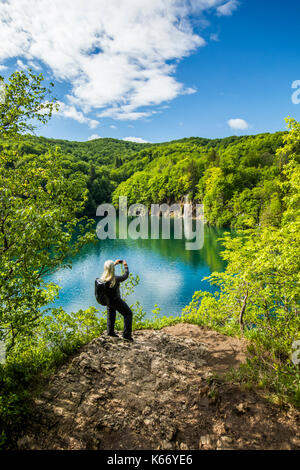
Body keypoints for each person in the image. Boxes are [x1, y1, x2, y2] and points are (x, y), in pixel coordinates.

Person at [100, 259, 133, 341]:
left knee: (111, 316)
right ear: (112, 269)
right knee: (128, 314)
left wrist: (113, 264)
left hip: (108, 301)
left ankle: (110, 332)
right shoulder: (115, 279)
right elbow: (125, 276)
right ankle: (126, 336)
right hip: (116, 301)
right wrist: (125, 266)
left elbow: (108, 269)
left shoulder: (102, 279)